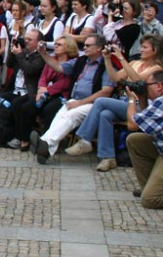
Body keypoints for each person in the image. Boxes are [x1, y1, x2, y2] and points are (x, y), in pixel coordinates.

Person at [66, 35, 163, 172]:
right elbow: (115, 77)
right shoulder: (135, 63)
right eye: (141, 46)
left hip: (140, 104)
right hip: (125, 100)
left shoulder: (156, 69)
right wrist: (107, 59)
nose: (141, 49)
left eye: (145, 47)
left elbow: (139, 82)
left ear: (155, 50)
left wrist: (121, 57)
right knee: (105, 114)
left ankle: (85, 139)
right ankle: (108, 158)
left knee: (100, 101)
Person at [30, 33, 115, 164]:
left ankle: (45, 143)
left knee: (71, 116)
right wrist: (44, 54)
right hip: (75, 99)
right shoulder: (81, 61)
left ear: (99, 48)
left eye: (88, 45)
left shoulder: (106, 65)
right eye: (84, 45)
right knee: (60, 116)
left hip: (94, 103)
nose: (84, 47)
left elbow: (106, 92)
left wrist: (80, 103)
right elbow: (58, 67)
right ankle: (46, 149)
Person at [13, 36, 78, 151]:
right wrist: (41, 89)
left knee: (49, 110)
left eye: (59, 44)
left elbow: (66, 82)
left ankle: (47, 143)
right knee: (26, 107)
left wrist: (48, 90)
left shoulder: (73, 63)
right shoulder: (51, 59)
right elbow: (43, 77)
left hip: (61, 95)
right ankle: (24, 139)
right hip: (45, 92)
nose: (55, 46)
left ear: (68, 47)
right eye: (55, 44)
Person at [0, 29, 46, 148]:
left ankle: (22, 138)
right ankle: (1, 134)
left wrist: (19, 55)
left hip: (31, 91)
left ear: (39, 42)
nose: (27, 42)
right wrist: (12, 51)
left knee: (19, 105)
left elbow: (30, 70)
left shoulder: (41, 55)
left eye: (30, 40)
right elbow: (10, 64)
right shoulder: (23, 52)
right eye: (26, 39)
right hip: (17, 89)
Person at [124, 69, 163, 209]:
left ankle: (154, 193)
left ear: (159, 86)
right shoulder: (157, 101)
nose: (145, 88)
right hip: (160, 148)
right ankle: (150, 186)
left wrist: (131, 100)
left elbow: (132, 125)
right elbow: (145, 123)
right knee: (135, 140)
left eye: (147, 85)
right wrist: (141, 98)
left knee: (150, 200)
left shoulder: (161, 102)